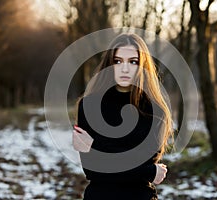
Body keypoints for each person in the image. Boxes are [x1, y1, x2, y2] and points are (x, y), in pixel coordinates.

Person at [72, 33, 173, 200]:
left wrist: (95, 147)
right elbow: (92, 170)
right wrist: (148, 171)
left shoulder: (155, 110)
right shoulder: (88, 106)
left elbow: (139, 165)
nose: (125, 68)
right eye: (118, 61)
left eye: (133, 62)